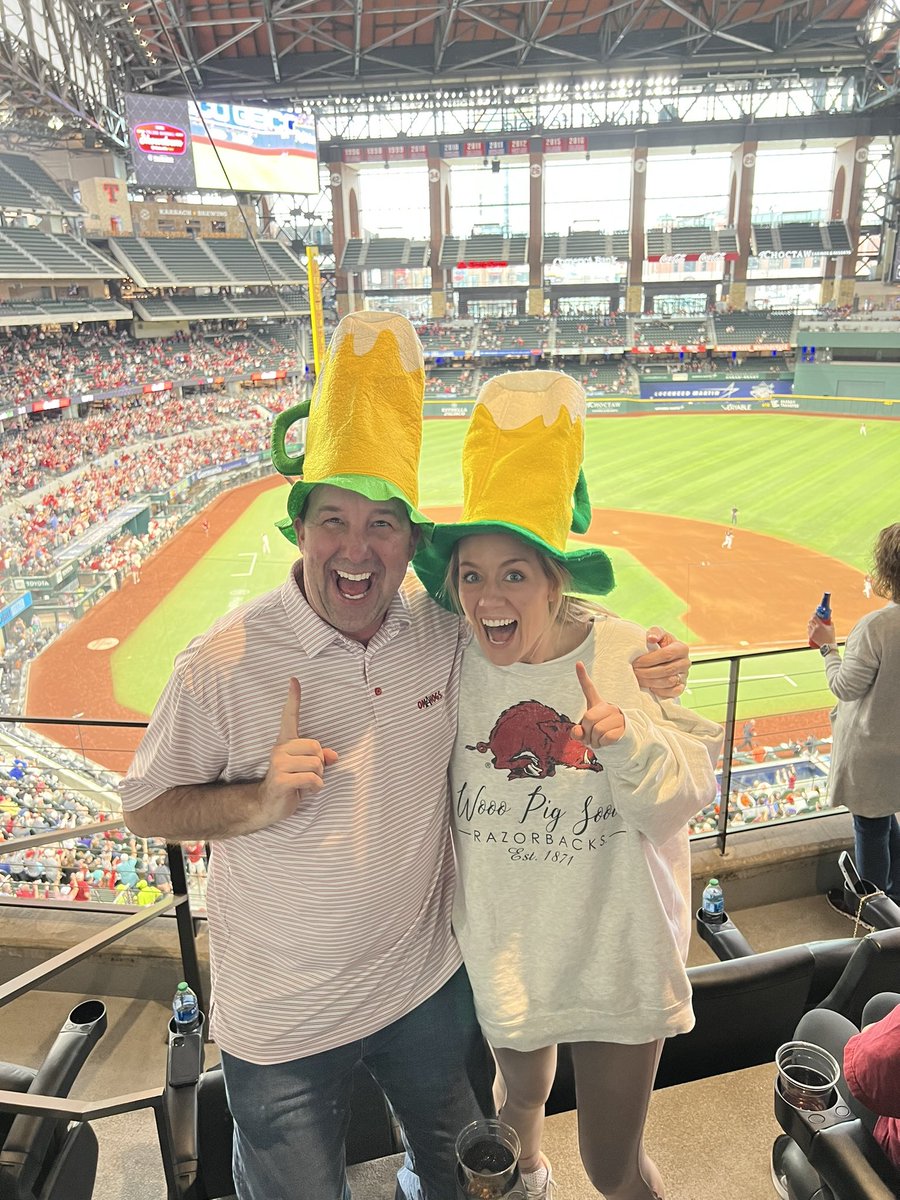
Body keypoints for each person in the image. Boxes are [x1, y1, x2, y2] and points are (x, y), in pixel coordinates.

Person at [122, 314, 695, 1200]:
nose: (358, 549)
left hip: (425, 992)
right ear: (300, 527)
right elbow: (145, 805)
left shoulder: (444, 635)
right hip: (281, 1021)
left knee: (467, 1178)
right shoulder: (221, 663)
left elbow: (547, 633)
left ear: (409, 539)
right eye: (335, 520)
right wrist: (256, 804)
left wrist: (647, 665)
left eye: (385, 523)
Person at [413, 371, 723, 1200]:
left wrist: (622, 743)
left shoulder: (625, 655)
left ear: (556, 579)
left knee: (610, 1163)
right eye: (471, 576)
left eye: (514, 574)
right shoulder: (446, 652)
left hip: (617, 957)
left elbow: (678, 801)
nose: (489, 597)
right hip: (511, 951)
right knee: (515, 1110)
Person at [808, 522, 900, 908]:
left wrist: (828, 648)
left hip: (872, 750)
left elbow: (845, 687)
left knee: (870, 826)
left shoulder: (877, 627)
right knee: (886, 818)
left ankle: (872, 912)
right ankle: (894, 897)